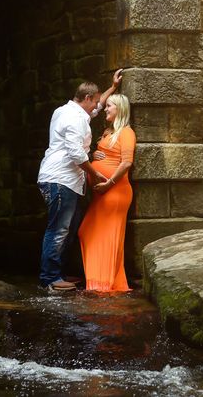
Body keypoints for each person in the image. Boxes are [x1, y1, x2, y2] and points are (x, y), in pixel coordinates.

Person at [37, 70, 123, 292]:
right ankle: (50, 279)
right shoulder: (75, 118)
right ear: (86, 98)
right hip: (60, 180)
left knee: (69, 227)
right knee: (58, 229)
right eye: (94, 101)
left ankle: (59, 274)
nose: (97, 106)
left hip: (64, 180)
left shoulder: (67, 111)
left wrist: (111, 88)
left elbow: (96, 108)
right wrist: (94, 173)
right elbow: (76, 153)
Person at [78, 93, 135, 292]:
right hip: (101, 193)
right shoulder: (108, 132)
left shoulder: (126, 132)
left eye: (109, 106)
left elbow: (126, 162)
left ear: (119, 109)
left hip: (115, 192)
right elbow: (104, 154)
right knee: (86, 231)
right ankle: (104, 282)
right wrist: (94, 154)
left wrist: (108, 183)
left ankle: (103, 285)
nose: (106, 109)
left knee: (107, 235)